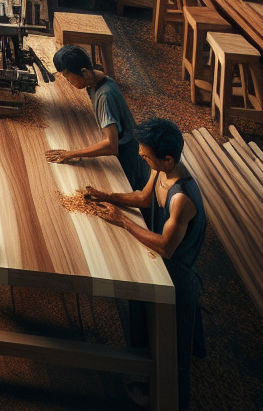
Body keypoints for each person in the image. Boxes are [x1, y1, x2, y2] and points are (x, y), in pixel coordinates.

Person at [82, 118, 206, 411]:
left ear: (168, 158)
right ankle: (146, 373)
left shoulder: (182, 199)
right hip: (161, 260)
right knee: (142, 315)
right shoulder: (161, 171)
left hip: (177, 274)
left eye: (146, 154)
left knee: (173, 352)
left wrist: (122, 221)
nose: (140, 155)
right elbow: (143, 198)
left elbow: (166, 247)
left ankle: (169, 399)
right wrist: (104, 195)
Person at [45, 45, 148, 189]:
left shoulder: (105, 96)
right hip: (130, 151)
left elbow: (112, 146)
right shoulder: (99, 80)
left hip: (127, 161)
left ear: (84, 72)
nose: (68, 82)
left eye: (68, 77)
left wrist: (71, 154)